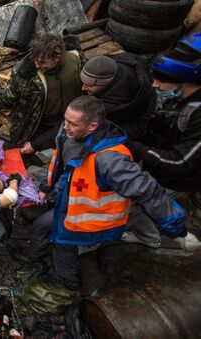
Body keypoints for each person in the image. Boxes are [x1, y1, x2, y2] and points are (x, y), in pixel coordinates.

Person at [13, 95, 192, 291]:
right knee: (42, 224)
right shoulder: (68, 135)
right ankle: (32, 256)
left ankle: (65, 283)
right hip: (68, 204)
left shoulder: (110, 158)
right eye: (65, 120)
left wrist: (178, 230)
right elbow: (59, 164)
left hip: (87, 218)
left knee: (62, 245)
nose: (65, 126)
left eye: (72, 123)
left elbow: (147, 190)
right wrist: (46, 189)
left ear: (92, 126)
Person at [0, 34, 83, 155]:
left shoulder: (76, 59)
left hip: (68, 121)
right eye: (35, 60)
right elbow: (5, 96)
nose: (37, 65)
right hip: (36, 127)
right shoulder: (27, 77)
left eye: (42, 62)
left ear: (57, 58)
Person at [125, 33, 201, 193]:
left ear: (187, 81)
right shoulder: (173, 96)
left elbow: (181, 163)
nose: (155, 84)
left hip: (178, 184)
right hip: (155, 166)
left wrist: (132, 146)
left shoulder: (196, 114)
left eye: (163, 79)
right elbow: (148, 123)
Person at [80, 54, 154, 127]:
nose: (83, 88)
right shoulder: (124, 67)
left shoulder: (112, 107)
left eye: (89, 85)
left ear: (106, 84)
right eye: (83, 83)